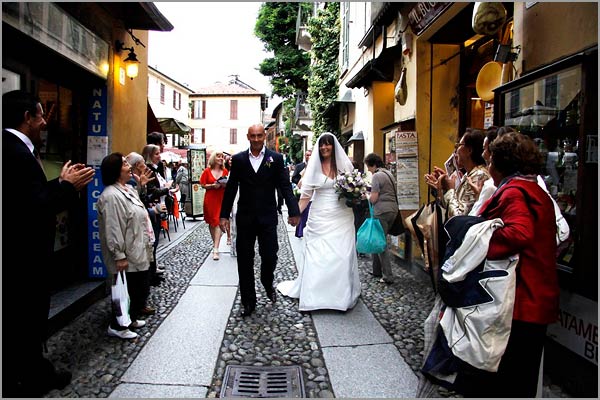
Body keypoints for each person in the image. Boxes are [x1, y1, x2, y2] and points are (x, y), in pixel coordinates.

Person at [451, 132, 560, 397]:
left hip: (518, 301)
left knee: (506, 380)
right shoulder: (534, 190)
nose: (488, 167)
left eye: (490, 162)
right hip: (533, 298)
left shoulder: (514, 192)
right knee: (521, 378)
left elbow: (519, 233)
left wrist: (478, 244)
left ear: (501, 164)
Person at [2, 90, 95, 397]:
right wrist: (66, 187)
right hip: (22, 257)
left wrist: (61, 184)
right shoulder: (14, 152)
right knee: (24, 320)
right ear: (27, 117)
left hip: (21, 256)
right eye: (41, 115)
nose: (45, 122)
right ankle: (27, 379)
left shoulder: (16, 150)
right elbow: (32, 206)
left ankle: (29, 371)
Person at [219, 124, 301, 317]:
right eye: (253, 136)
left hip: (268, 217)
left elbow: (285, 187)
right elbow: (231, 188)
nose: (256, 139)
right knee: (245, 260)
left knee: (270, 255)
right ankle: (248, 301)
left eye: (259, 136)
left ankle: (266, 280)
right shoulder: (238, 160)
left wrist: (294, 211)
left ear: (264, 136)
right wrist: (223, 215)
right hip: (245, 217)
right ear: (248, 136)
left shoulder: (276, 159)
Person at [277, 132, 361, 312]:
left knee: (342, 255)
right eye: (322, 144)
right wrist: (294, 214)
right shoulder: (313, 168)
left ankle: (340, 297)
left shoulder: (344, 167)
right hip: (320, 215)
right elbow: (305, 197)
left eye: (328, 144)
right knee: (318, 255)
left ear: (334, 146)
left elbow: (355, 190)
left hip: (342, 216)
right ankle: (315, 297)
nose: (324, 147)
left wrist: (355, 195)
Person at [97, 153, 155, 340]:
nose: (128, 166)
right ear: (115, 170)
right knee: (124, 288)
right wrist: (119, 254)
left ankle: (130, 318)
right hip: (126, 251)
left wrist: (141, 186)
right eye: (123, 164)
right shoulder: (111, 196)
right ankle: (118, 324)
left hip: (137, 247)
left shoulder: (128, 189)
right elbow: (113, 228)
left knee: (138, 287)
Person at [425, 129, 489, 217]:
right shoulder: (468, 175)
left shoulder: (479, 176)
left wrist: (450, 190)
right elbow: (450, 207)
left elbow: (458, 216)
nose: (456, 151)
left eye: (459, 145)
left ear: (469, 150)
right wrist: (441, 189)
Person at [363, 153, 398, 284]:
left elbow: (374, 198)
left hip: (382, 211)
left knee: (380, 244)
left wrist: (366, 196)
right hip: (392, 210)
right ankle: (376, 270)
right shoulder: (388, 174)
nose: (368, 170)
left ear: (373, 164)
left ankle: (388, 275)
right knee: (379, 240)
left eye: (368, 166)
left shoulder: (377, 176)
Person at [142, 144, 173, 285]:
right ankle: (151, 274)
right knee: (152, 242)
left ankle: (152, 272)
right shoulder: (149, 171)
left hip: (158, 207)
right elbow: (153, 191)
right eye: (156, 154)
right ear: (149, 155)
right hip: (153, 208)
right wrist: (166, 189)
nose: (159, 156)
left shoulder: (156, 170)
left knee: (154, 242)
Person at [200, 150, 230, 260]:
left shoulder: (225, 171)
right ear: (213, 158)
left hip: (222, 199)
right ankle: (215, 243)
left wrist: (223, 185)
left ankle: (216, 249)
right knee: (212, 223)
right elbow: (203, 184)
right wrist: (213, 186)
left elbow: (229, 184)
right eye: (218, 156)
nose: (221, 158)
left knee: (217, 221)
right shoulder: (207, 171)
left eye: (222, 157)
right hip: (210, 199)